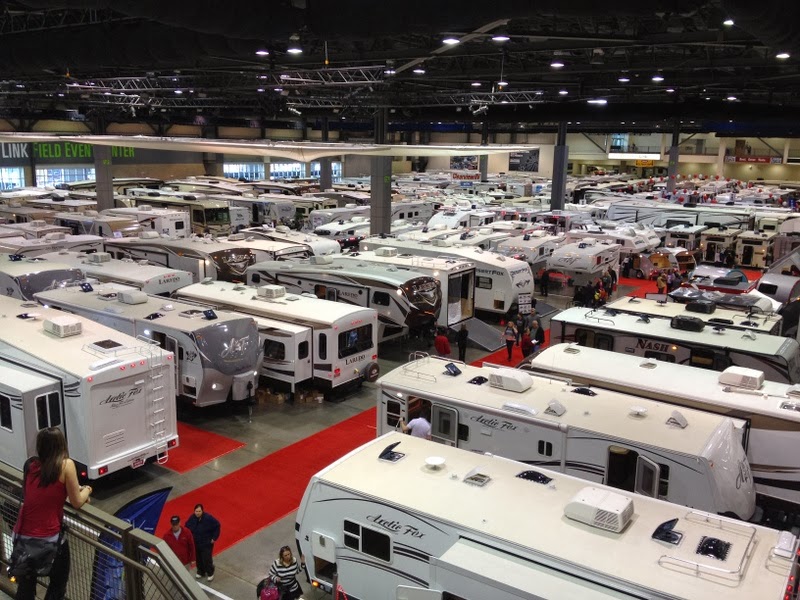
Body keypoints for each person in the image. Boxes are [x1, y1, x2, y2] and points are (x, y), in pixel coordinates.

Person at [14, 427, 92, 600]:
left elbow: (42, 491)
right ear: (61, 445)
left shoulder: (31, 465)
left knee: (26, 587)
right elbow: (77, 502)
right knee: (58, 584)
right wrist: (87, 489)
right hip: (49, 539)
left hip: (23, 536)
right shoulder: (66, 465)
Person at [185, 503, 221, 582]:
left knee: (206, 559)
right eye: (196, 511)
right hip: (196, 543)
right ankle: (200, 571)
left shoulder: (208, 518)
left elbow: (217, 525)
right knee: (198, 558)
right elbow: (186, 527)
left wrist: (214, 538)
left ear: (202, 511)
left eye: (199, 511)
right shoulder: (192, 518)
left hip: (206, 543)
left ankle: (210, 572)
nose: (197, 513)